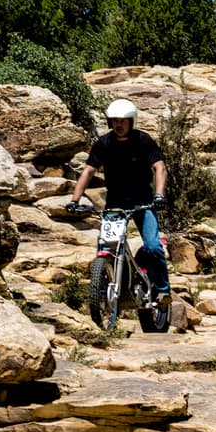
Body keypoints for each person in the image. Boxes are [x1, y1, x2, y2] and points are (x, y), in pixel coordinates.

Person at [67, 98, 172, 301]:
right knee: (107, 245)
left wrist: (159, 195)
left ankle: (162, 290)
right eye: (115, 120)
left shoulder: (143, 141)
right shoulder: (103, 144)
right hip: (116, 200)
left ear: (131, 121)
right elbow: (88, 171)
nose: (118, 124)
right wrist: (74, 200)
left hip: (143, 199)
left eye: (123, 121)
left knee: (153, 246)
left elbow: (159, 167)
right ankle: (104, 289)